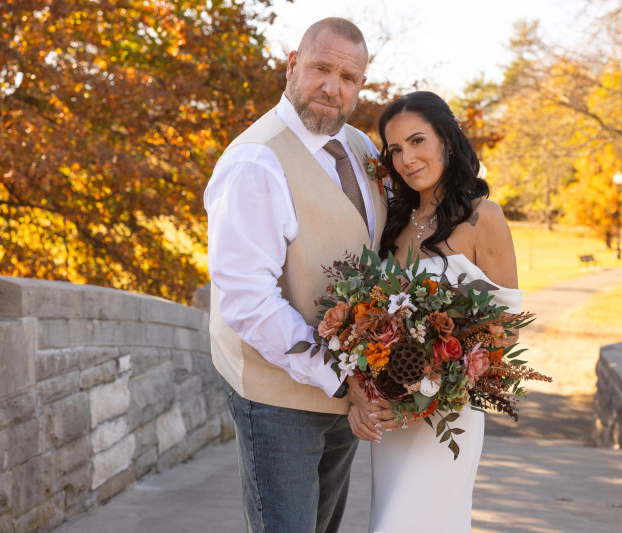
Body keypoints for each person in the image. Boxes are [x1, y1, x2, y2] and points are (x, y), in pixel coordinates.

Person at [203, 18, 391, 533]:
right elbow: (248, 304)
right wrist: (341, 376)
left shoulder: (362, 150)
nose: (333, 88)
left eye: (348, 77)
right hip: (277, 398)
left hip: (345, 390)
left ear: (361, 86)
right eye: (321, 68)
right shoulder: (255, 162)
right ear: (292, 65)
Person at [347, 91, 523, 532]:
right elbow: (365, 323)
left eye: (418, 141)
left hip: (448, 420)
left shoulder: (485, 218)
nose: (407, 158)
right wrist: (362, 395)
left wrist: (425, 399)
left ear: (446, 139)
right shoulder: (391, 225)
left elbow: (506, 332)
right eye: (395, 149)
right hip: (391, 423)